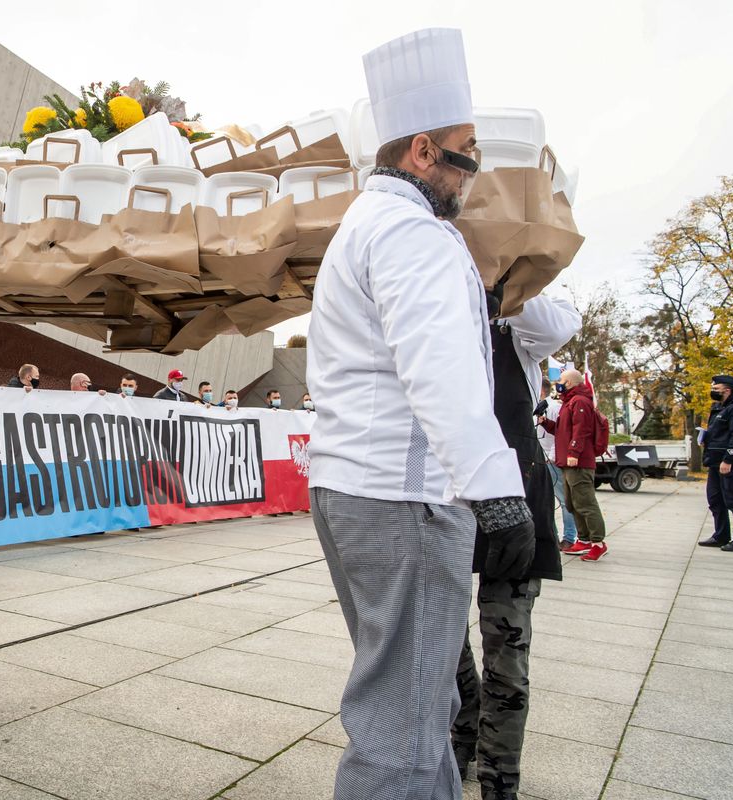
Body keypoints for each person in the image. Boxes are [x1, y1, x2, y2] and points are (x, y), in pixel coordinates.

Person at [307, 28, 533, 800]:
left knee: (420, 703)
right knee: (401, 727)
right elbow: (442, 376)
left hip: (353, 489)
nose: (473, 174)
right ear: (424, 152)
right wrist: (497, 493)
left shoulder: (363, 226)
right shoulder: (414, 233)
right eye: (466, 153)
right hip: (403, 497)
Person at [452, 295, 579, 800]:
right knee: (446, 646)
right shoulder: (443, 308)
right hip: (451, 496)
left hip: (517, 495)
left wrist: (504, 284)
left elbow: (556, 327)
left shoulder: (520, 322)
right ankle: (463, 738)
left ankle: (500, 778)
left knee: (507, 650)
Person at [539, 369, 608, 561]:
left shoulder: (579, 402)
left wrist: (574, 453)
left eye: (561, 380)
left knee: (585, 502)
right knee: (572, 502)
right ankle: (584, 540)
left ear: (569, 383)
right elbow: (563, 431)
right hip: (569, 462)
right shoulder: (569, 402)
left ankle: (598, 542)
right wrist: (546, 424)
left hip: (579, 462)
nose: (558, 383)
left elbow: (581, 430)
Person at [698, 375, 733, 550]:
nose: (712, 391)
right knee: (715, 499)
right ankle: (721, 535)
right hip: (714, 462)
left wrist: (729, 459)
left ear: (727, 390)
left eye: (716, 389)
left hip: (730, 464)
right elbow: (719, 434)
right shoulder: (718, 408)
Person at [538, 377, 579, 549]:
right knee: (544, 502)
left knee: (563, 501)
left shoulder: (555, 408)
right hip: (539, 460)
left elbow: (560, 436)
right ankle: (551, 537)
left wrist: (553, 457)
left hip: (552, 460)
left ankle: (569, 537)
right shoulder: (536, 408)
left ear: (541, 390)